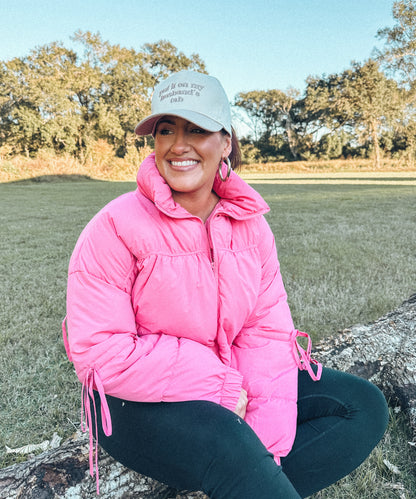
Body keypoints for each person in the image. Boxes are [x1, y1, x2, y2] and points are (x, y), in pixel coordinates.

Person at [63, 70, 388, 498]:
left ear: (226, 142)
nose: (179, 145)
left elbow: (265, 333)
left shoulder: (251, 227)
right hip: (130, 399)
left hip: (228, 376)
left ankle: (251, 480)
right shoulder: (114, 227)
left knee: (362, 406)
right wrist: (220, 388)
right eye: (166, 130)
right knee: (226, 439)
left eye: (197, 128)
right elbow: (101, 353)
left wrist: (263, 444)